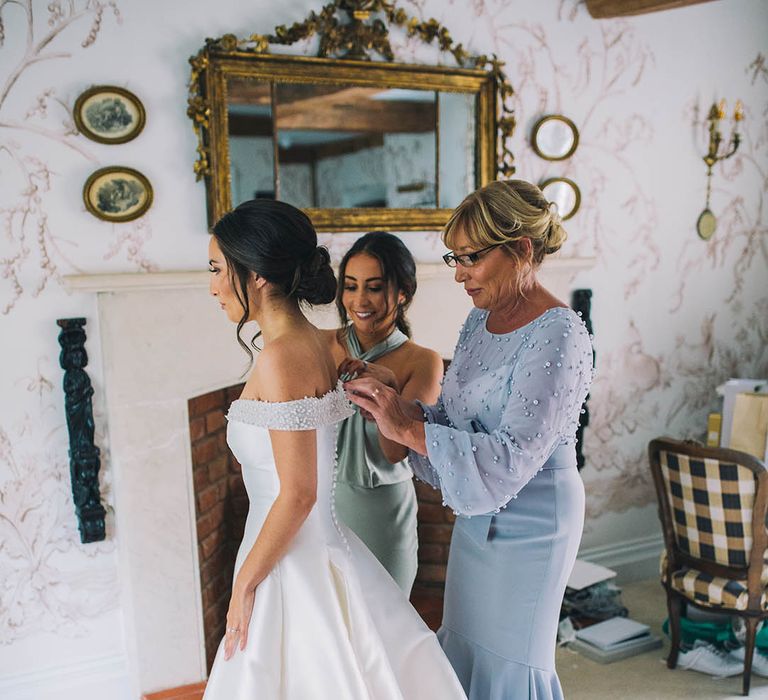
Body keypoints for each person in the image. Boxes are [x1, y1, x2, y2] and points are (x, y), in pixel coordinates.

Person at [203, 199, 466, 699]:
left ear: (256, 274)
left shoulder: (284, 355)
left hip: (291, 557)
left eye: (218, 269)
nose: (213, 286)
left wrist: (242, 587)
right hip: (306, 542)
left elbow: (298, 494)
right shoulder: (322, 342)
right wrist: (381, 375)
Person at [344, 179, 595, 699]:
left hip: (533, 523)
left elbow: (513, 454)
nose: (458, 274)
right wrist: (396, 403)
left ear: (521, 250)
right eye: (453, 258)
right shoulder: (480, 320)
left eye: (471, 259)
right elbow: (457, 423)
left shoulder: (560, 333)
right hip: (478, 515)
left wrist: (408, 427)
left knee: (511, 660)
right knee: (464, 647)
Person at [324, 232, 443, 593]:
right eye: (350, 286)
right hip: (321, 504)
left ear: (403, 291)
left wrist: (386, 389)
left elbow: (396, 453)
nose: (359, 300)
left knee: (385, 626)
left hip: (382, 511)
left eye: (374, 287)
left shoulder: (422, 361)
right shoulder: (322, 345)